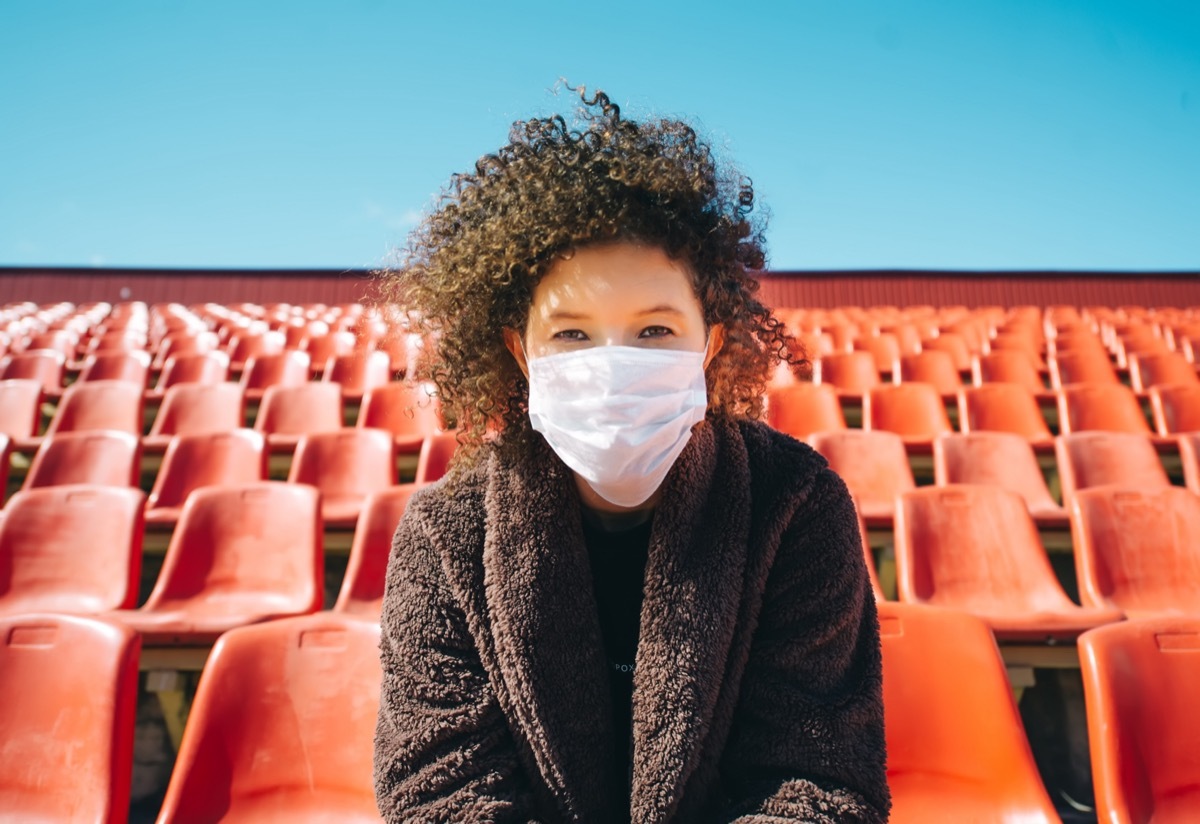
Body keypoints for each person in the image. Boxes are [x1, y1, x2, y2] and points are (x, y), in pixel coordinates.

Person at [373, 87, 890, 823]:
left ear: (709, 346)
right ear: (521, 353)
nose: (613, 362)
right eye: (572, 335)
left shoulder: (796, 504)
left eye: (654, 332)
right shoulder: (447, 534)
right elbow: (439, 793)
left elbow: (816, 783)